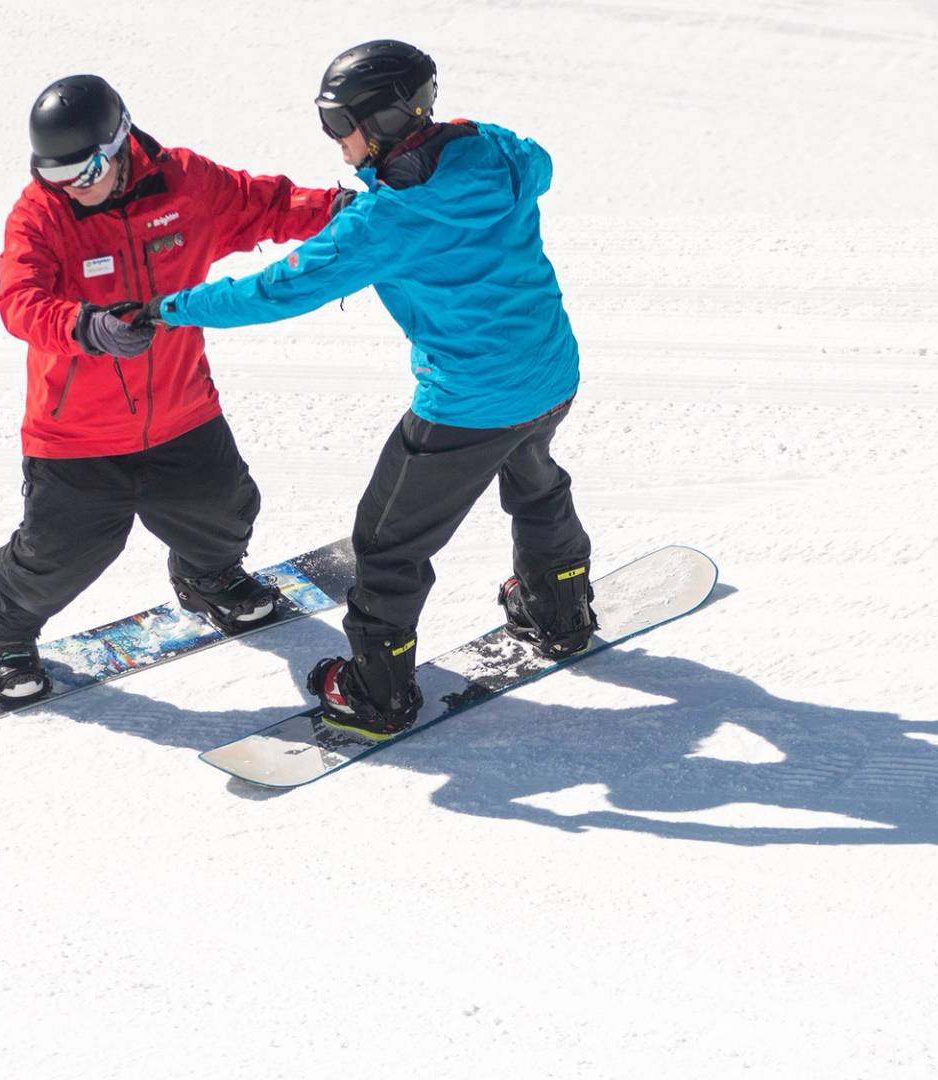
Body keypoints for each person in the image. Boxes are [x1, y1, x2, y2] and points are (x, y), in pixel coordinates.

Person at [140, 41, 597, 740]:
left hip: (469, 405)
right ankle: (559, 613)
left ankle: (376, 690)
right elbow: (541, 163)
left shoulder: (387, 220)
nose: (334, 141)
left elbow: (277, 290)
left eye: (337, 125)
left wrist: (168, 308)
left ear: (382, 119)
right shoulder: (493, 151)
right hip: (550, 373)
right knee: (533, 479)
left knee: (386, 543)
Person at [0, 74, 343, 705]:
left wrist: (341, 210)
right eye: (52, 176)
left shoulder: (187, 184)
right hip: (76, 434)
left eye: (81, 173)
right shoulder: (42, 215)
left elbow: (267, 203)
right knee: (60, 555)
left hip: (182, 409)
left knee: (224, 510)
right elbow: (19, 301)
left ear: (118, 144)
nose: (68, 190)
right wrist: (86, 325)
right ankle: (2, 634)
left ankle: (208, 579)